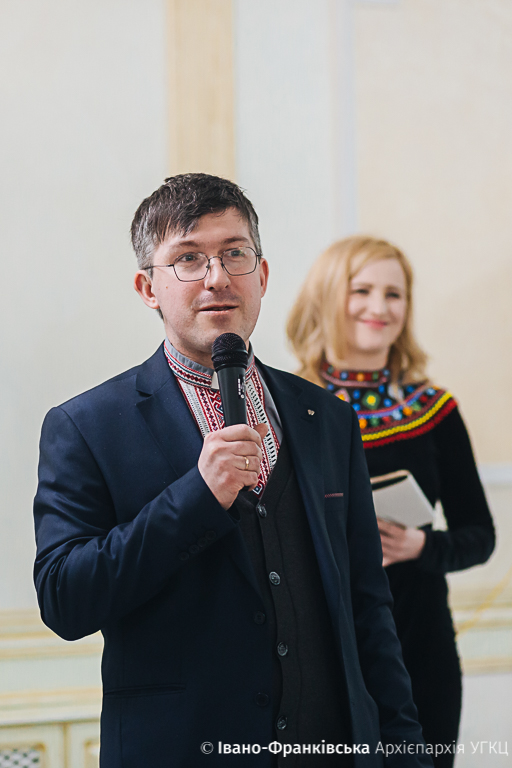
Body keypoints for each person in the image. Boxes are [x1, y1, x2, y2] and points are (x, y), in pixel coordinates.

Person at [34, 176, 434, 768]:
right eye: (188, 259)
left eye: (234, 253)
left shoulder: (325, 417)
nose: (217, 277)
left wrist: (405, 752)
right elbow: (65, 599)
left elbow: (368, 607)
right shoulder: (87, 426)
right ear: (148, 287)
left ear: (262, 276)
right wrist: (198, 496)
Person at [287, 235, 495, 768]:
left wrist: (418, 546)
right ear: (328, 297)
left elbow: (480, 535)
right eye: (361, 290)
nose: (379, 307)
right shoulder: (287, 407)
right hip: (323, 647)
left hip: (421, 646)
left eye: (394, 294)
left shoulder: (435, 410)